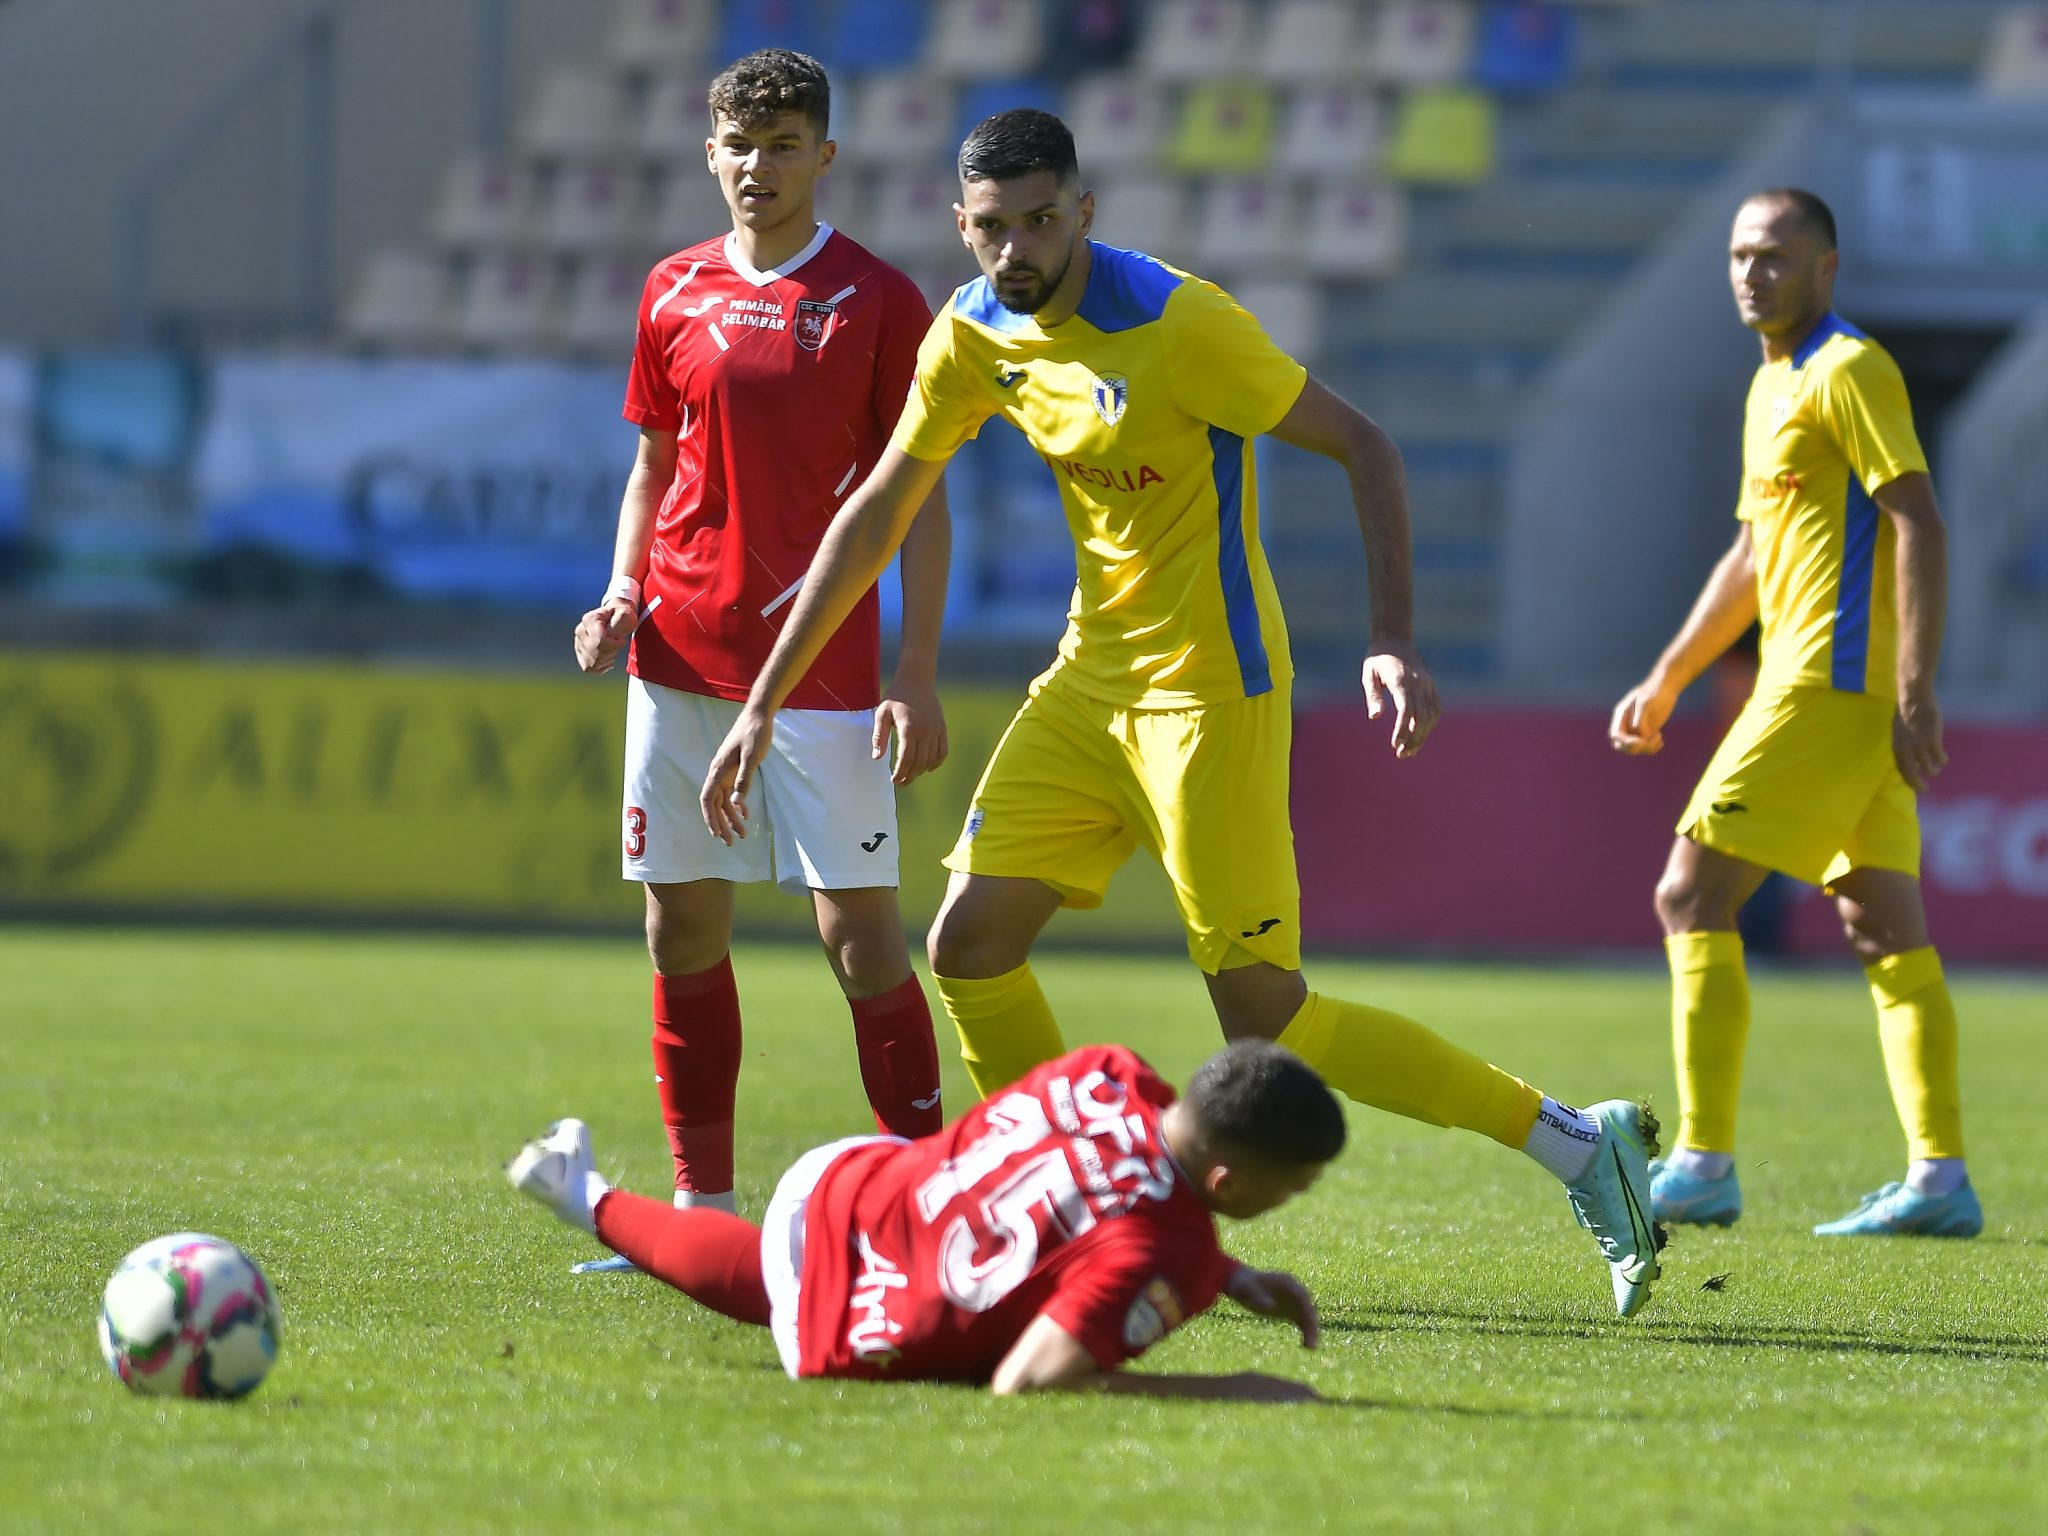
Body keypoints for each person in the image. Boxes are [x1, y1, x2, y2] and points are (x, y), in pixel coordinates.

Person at [698, 109, 1666, 1315]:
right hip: (1087, 683)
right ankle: (1080, 1210)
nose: (1017, 247)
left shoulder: (1178, 324)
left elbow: (1366, 448)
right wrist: (763, 702)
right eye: (992, 227)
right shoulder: (971, 334)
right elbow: (880, 508)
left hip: (1212, 694)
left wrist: (1391, 640)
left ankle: (1576, 1145)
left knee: (1265, 1020)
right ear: (962, 226)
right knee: (968, 945)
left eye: (1041, 220)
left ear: (1083, 212)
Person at [570, 49, 953, 1261]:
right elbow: (652, 467)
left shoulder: (881, 302)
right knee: (680, 934)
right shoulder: (670, 288)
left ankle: (927, 1207)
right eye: (738, 145)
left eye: (783, 145)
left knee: (861, 943)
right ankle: (703, 1215)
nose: (758, 167)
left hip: (824, 674)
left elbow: (920, 501)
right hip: (676, 659)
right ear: (709, 154)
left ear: (823, 157)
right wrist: (622, 588)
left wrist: (915, 670)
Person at [1609, 188, 1980, 1238]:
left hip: (1831, 683)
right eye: (1735, 255)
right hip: (1808, 680)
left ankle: (1701, 1161)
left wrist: (1912, 686)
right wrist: (1670, 675)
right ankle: (1938, 1182)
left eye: (1772, 255)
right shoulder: (1769, 383)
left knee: (1689, 893)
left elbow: (1918, 521)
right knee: (1881, 928)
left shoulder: (1848, 369)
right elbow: (1747, 557)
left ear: (1825, 267)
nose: (1748, 273)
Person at [509, 1038, 1335, 1399]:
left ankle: (582, 1195)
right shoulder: (1169, 1254)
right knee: (790, 1296)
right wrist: (1238, 1388)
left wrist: (1229, 1273)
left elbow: (1105, 1188)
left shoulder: (1109, 1072)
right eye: (1289, 1188)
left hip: (851, 1182)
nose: (1287, 1203)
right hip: (876, 1312)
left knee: (776, 1269)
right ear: (1226, 1181)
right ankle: (580, 1197)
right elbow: (1029, 1383)